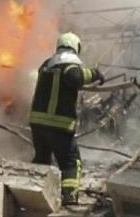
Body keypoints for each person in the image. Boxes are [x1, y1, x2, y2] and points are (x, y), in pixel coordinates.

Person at [29, 32, 104, 204]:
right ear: (76, 47)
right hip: (59, 125)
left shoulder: (47, 64)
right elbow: (74, 77)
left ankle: (33, 192)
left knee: (42, 160)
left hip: (38, 123)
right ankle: (69, 197)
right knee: (71, 162)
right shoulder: (69, 64)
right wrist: (95, 74)